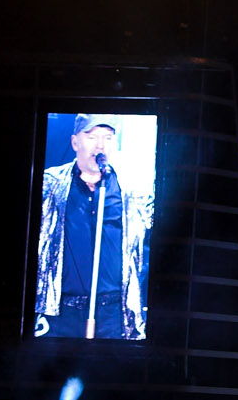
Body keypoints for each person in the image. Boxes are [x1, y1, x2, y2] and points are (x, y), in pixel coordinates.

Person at [35, 114, 153, 339]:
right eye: (92, 137)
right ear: (75, 142)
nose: (100, 145)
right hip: (61, 313)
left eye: (107, 138)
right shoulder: (50, 184)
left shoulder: (132, 190)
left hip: (113, 314)